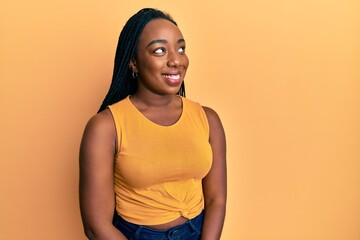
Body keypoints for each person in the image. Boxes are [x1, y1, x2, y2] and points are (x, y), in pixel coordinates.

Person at [79, 8, 227, 240]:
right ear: (133, 63)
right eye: (159, 50)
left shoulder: (208, 119)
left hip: (197, 232)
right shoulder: (105, 127)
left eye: (180, 49)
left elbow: (216, 199)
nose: (176, 60)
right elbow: (96, 227)